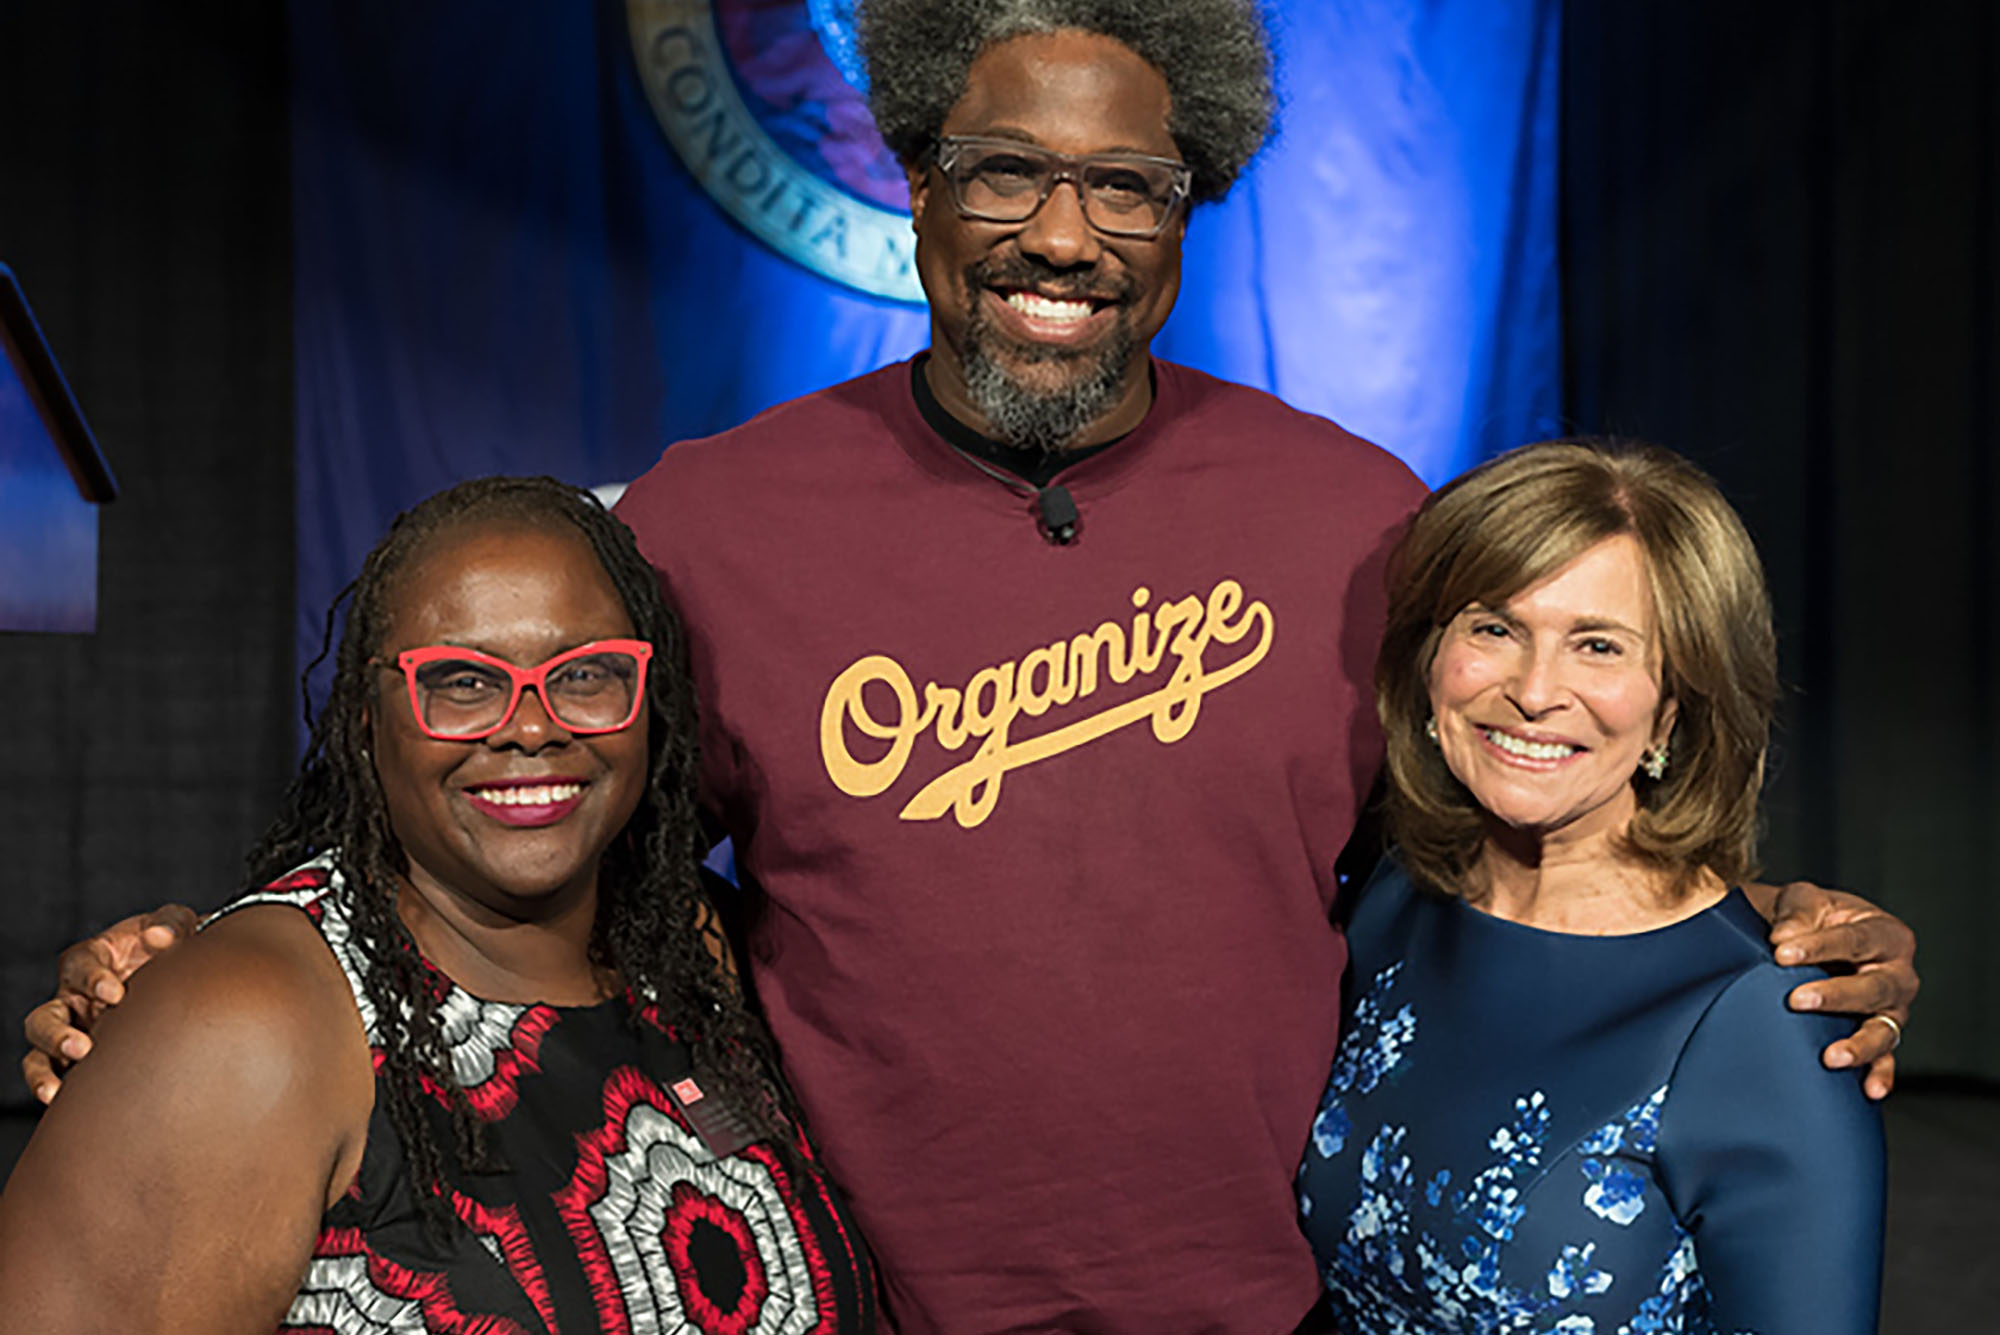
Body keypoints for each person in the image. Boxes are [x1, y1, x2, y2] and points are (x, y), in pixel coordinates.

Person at [20, 5, 1917, 1331]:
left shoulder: (1359, 516)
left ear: (1194, 206)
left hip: (1283, 1312)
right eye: (1005, 170)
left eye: (1133, 188)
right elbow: (525, 830)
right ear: (910, 171)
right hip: (852, 1302)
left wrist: (1741, 950)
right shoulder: (713, 520)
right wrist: (225, 984)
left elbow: (1489, 833)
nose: (1064, 236)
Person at [0, 478, 878, 1333]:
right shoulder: (247, 1017)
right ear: (367, 718)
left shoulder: (698, 950)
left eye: (586, 674)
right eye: (461, 682)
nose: (533, 727)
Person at [1296, 441, 1885, 1332]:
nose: (1535, 690)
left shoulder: (1762, 1020)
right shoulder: (1394, 900)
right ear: (1430, 658)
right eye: (1495, 627)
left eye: (1599, 645)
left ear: (1674, 706)